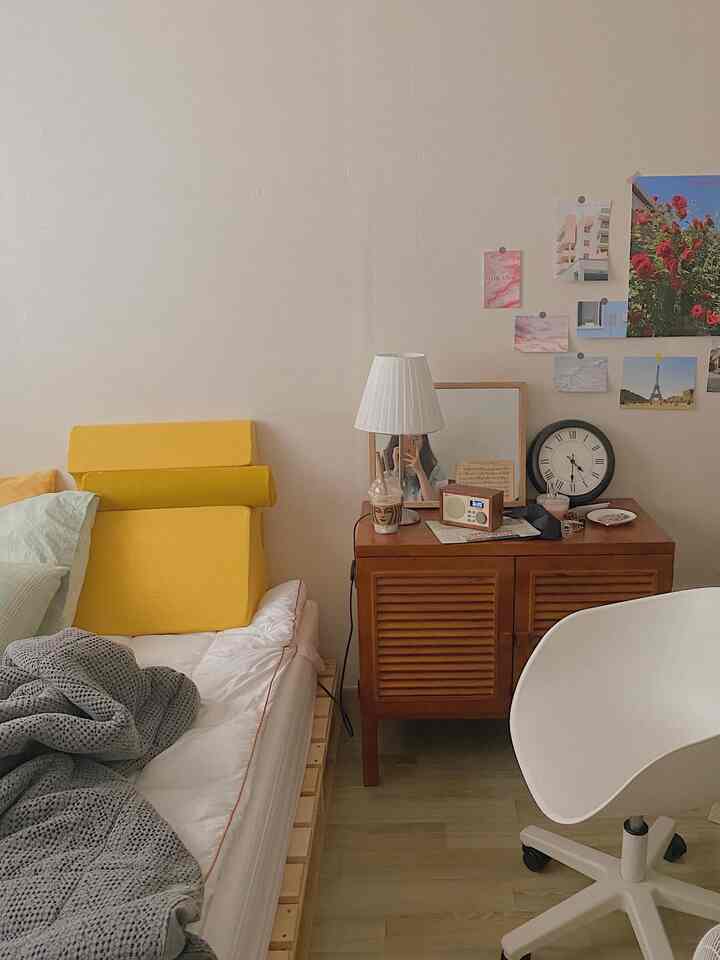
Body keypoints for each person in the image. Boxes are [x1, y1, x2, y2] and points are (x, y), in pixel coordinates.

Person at [382, 434, 446, 501]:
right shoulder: (387, 465)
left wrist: (420, 471)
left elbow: (433, 503)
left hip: (423, 511)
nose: (411, 445)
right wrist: (396, 470)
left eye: (415, 439)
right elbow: (387, 500)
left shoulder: (435, 469)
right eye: (405, 440)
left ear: (423, 440)